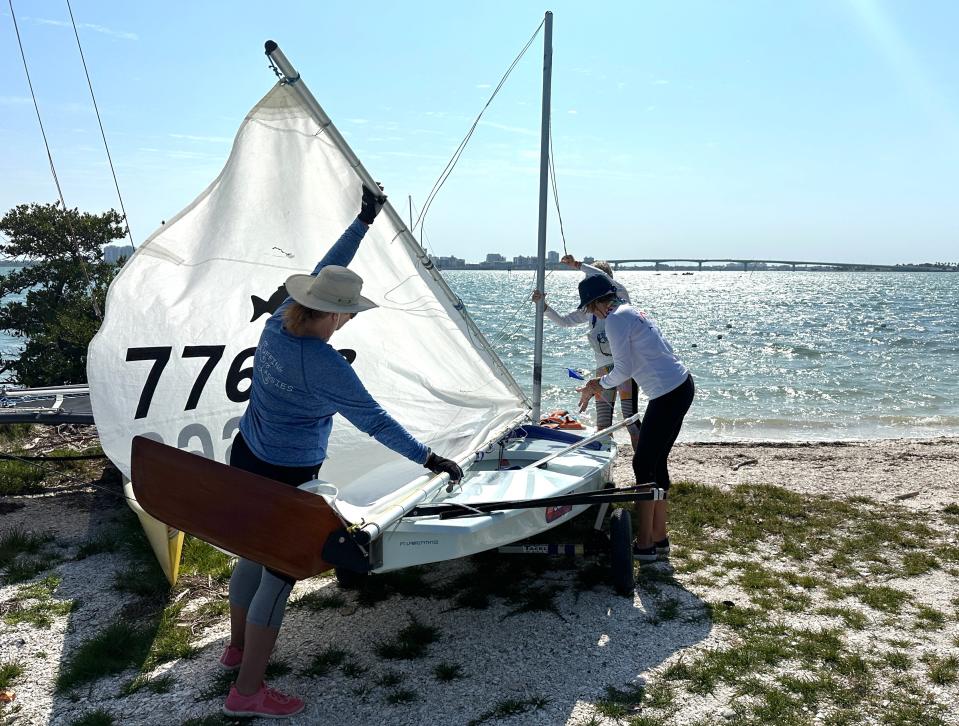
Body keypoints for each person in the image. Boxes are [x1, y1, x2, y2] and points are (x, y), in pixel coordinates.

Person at [220, 185, 463, 719]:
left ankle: (235, 650)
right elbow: (374, 420)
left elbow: (326, 267)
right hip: (289, 478)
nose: (349, 318)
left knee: (250, 555)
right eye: (347, 312)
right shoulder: (326, 365)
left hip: (246, 461)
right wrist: (430, 459)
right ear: (332, 317)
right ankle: (248, 691)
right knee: (278, 577)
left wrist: (363, 222)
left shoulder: (278, 323)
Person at [574, 275, 693, 563]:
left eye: (589, 308)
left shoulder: (614, 319)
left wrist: (596, 385)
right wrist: (599, 382)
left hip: (668, 394)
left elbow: (622, 370)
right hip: (681, 385)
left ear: (595, 304)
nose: (591, 314)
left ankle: (644, 544)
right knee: (655, 462)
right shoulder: (632, 310)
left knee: (642, 463)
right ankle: (659, 538)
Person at [531, 255, 640, 450]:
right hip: (603, 369)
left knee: (630, 420)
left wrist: (577, 265)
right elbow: (564, 321)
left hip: (625, 369)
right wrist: (544, 307)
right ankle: (606, 463)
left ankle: (643, 464)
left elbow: (598, 274)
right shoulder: (589, 309)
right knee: (603, 424)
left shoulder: (620, 296)